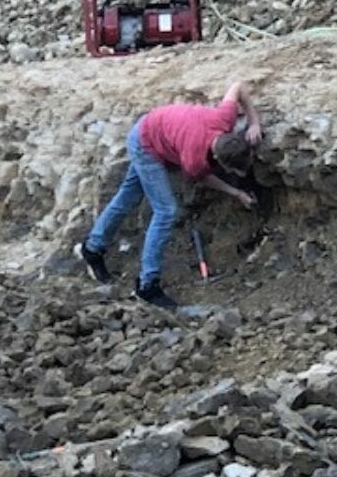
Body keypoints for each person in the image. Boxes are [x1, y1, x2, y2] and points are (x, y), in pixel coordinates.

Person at [79, 80, 262, 308]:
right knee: (166, 211)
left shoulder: (225, 118)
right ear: (220, 162)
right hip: (146, 144)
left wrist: (254, 122)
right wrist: (236, 193)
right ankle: (148, 285)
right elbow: (204, 178)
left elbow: (237, 86)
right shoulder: (194, 160)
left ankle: (93, 248)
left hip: (155, 125)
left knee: (129, 195)